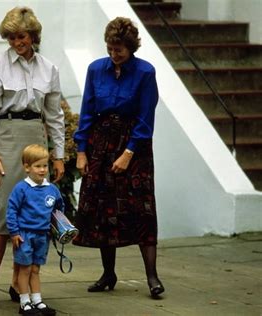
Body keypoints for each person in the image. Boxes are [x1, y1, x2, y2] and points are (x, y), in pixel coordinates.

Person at [0, 6, 65, 312]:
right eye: (12, 37)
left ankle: (19, 281)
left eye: (23, 36)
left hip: (36, 134)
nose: (18, 42)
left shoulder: (48, 68)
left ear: (33, 36)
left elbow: (54, 115)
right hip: (7, 135)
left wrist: (59, 155)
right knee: (5, 212)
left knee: (35, 213)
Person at [72, 17, 164, 298]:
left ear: (131, 47)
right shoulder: (96, 69)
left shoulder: (145, 72)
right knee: (103, 208)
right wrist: (81, 150)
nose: (114, 55)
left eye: (119, 50)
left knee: (142, 209)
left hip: (133, 143)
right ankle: (108, 273)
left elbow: (146, 118)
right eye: (110, 49)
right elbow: (87, 109)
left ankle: (152, 276)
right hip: (100, 142)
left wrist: (128, 153)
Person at [6, 144, 60, 316]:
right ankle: (24, 303)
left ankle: (37, 301)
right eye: (38, 166)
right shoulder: (21, 188)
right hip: (24, 236)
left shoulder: (52, 189)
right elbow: (11, 210)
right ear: (27, 167)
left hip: (43, 236)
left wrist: (58, 228)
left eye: (45, 165)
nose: (42, 170)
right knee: (25, 269)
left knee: (36, 270)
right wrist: (14, 233)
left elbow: (59, 209)